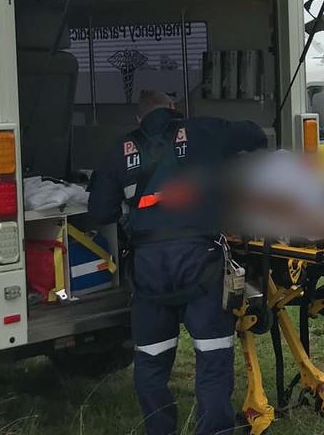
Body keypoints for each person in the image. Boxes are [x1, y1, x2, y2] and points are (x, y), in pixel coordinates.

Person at [85, 90, 267, 435]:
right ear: (173, 110)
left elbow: (99, 212)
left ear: (139, 120)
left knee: (151, 363)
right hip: (201, 263)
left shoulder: (119, 150)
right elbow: (254, 135)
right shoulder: (203, 130)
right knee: (212, 357)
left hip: (149, 269)